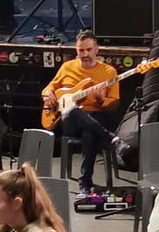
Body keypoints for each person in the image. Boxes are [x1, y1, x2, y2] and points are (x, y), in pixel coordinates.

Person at [42, 32, 121, 195]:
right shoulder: (67, 67)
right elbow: (50, 86)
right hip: (69, 121)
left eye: (89, 50)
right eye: (81, 50)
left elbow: (114, 104)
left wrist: (101, 100)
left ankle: (84, 183)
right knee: (71, 111)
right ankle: (110, 139)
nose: (85, 54)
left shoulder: (109, 72)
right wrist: (48, 94)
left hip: (96, 117)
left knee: (89, 134)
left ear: (97, 50)